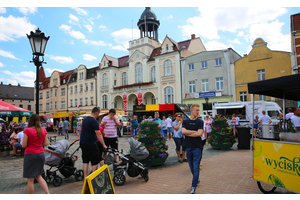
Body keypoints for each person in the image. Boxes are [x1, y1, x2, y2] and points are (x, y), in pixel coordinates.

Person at [22, 114, 49, 194]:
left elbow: (24, 145)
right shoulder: (43, 129)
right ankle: (48, 194)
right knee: (39, 176)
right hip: (40, 154)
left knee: (30, 179)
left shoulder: (28, 130)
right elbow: (45, 143)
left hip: (30, 154)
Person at [182, 104, 204, 194]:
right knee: (191, 167)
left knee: (196, 167)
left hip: (197, 148)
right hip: (188, 147)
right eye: (197, 110)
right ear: (192, 111)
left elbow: (199, 134)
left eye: (198, 110)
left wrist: (188, 133)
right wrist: (194, 132)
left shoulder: (200, 122)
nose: (198, 112)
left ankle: (193, 186)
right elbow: (183, 131)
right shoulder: (185, 121)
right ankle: (197, 179)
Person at [80, 107, 107, 179]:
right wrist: (103, 144)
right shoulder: (94, 121)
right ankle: (93, 178)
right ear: (97, 113)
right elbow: (98, 134)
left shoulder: (85, 120)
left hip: (83, 142)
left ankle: (85, 178)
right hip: (91, 143)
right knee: (94, 161)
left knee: (85, 161)